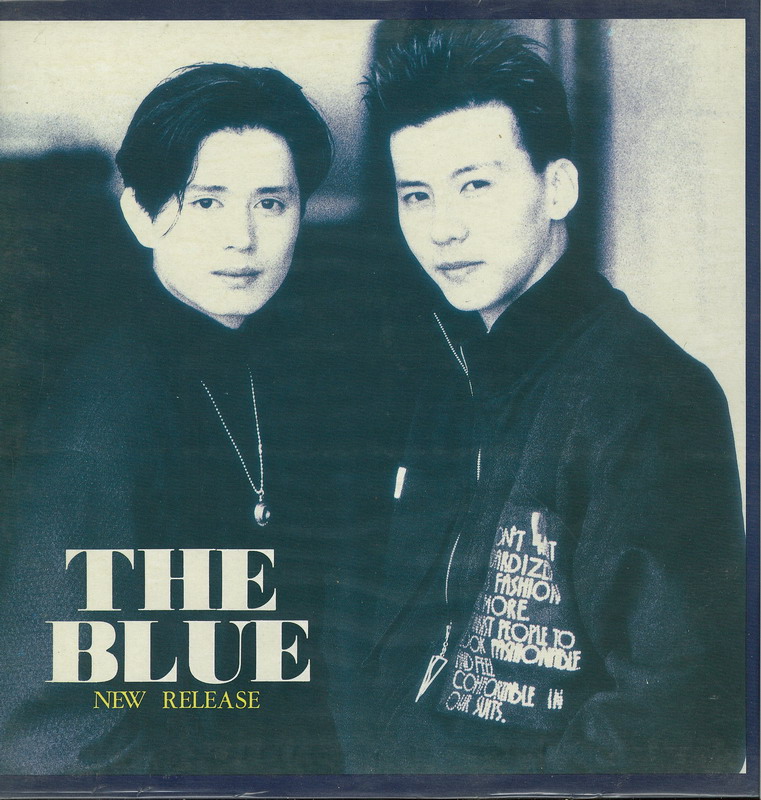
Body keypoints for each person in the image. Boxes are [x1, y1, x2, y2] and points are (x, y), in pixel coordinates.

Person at [360, 23, 745, 774]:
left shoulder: (650, 393)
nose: (443, 228)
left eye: (475, 185)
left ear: (557, 187)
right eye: (417, 196)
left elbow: (680, 716)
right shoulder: (448, 373)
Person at [0, 63, 341, 774]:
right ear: (141, 215)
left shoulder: (276, 363)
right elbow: (53, 731)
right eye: (208, 202)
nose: (242, 238)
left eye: (271, 203)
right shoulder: (108, 408)